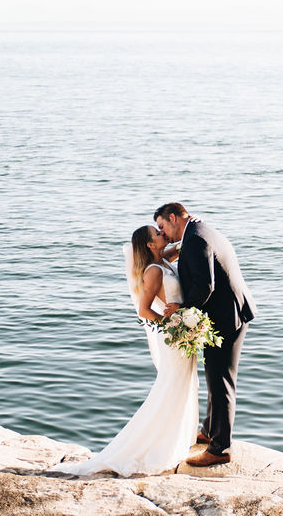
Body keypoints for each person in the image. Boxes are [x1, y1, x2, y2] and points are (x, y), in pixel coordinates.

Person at [53, 225, 199, 477]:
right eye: (157, 233)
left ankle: (176, 436)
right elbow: (144, 310)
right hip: (174, 336)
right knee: (171, 386)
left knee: (185, 385)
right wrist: (172, 324)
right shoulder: (153, 271)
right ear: (150, 245)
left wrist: (192, 227)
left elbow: (186, 244)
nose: (163, 234)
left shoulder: (163, 260)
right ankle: (150, 445)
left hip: (183, 332)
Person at [154, 203, 255, 467]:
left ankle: (220, 449)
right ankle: (210, 431)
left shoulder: (196, 239)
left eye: (162, 226)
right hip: (226, 312)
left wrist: (182, 311)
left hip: (226, 317)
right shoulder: (197, 231)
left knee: (220, 381)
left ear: (173, 217)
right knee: (214, 374)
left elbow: (205, 285)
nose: (162, 233)